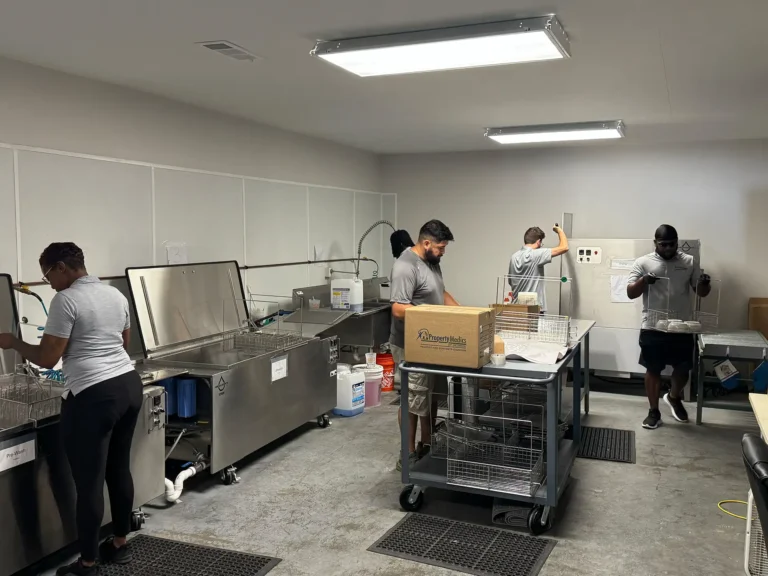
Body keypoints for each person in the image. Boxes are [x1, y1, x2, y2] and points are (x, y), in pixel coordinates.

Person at [0, 243, 142, 575]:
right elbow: (124, 343)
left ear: (62, 267)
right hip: (128, 385)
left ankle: (88, 563)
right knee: (119, 470)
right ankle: (119, 545)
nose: (48, 282)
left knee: (89, 483)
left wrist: (13, 342)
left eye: (48, 274)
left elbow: (48, 358)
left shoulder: (66, 299)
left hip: (93, 396)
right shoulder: (114, 296)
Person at [389, 220, 460, 471]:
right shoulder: (405, 266)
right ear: (426, 243)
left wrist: (466, 315)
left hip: (431, 342)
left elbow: (440, 293)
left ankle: (427, 443)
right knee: (412, 398)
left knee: (428, 395)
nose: (443, 252)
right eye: (440, 247)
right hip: (410, 345)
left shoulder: (432, 262)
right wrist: (431, 315)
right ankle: (406, 454)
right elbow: (398, 308)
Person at [627, 225, 710, 429]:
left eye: (671, 244)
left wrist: (705, 283)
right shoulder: (643, 262)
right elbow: (630, 292)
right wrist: (644, 281)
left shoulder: (689, 261)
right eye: (663, 244)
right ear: (655, 243)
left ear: (677, 242)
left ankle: (673, 397)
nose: (667, 248)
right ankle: (653, 411)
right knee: (653, 368)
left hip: (681, 325)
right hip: (653, 325)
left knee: (683, 368)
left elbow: (701, 292)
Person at [508, 224, 569, 312]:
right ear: (538, 241)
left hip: (516, 308)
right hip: (534, 310)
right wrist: (559, 230)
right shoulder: (536, 254)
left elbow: (510, 281)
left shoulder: (514, 257)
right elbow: (564, 247)